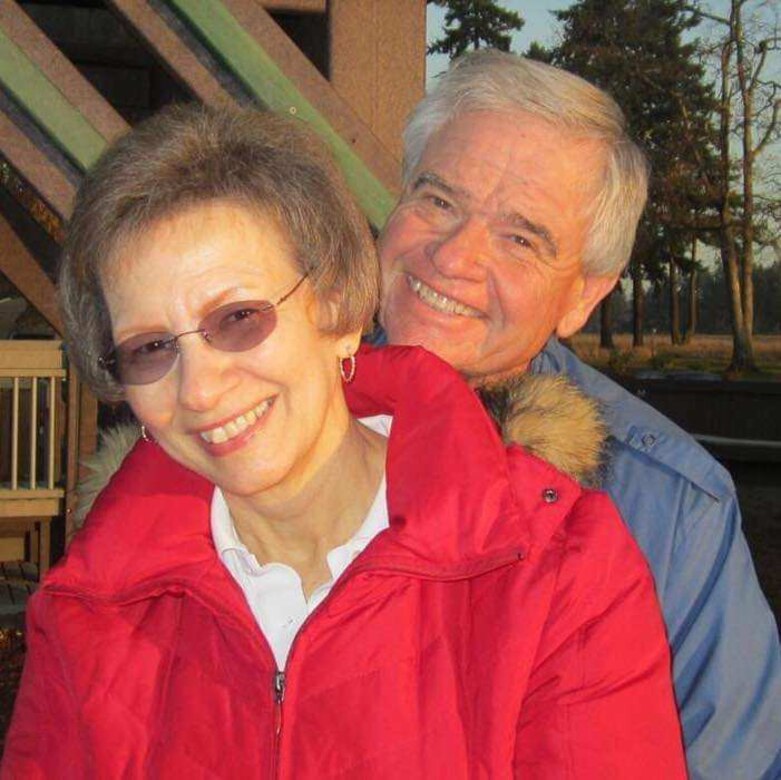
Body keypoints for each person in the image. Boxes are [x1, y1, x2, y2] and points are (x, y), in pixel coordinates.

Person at [1, 104, 685, 777]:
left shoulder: (557, 571)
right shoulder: (88, 611)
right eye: (150, 348)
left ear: (335, 308)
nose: (200, 390)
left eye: (238, 318)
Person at [378, 49, 781, 779]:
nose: (452, 255)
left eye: (520, 238)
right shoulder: (251, 416)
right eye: (437, 199)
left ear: (582, 297)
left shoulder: (666, 510)